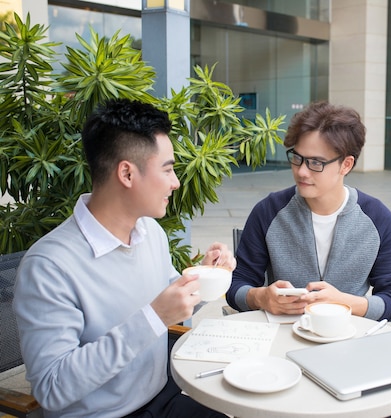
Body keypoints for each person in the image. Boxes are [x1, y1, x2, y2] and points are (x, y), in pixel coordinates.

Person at [13, 99, 235, 418]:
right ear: (127, 173)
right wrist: (153, 318)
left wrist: (207, 277)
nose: (176, 183)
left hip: (162, 397)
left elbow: (173, 305)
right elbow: (51, 388)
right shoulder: (48, 267)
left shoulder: (150, 232)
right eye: (168, 169)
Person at [225, 101, 391, 322]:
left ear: (346, 165)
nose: (301, 171)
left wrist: (344, 302)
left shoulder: (378, 219)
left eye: (316, 163)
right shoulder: (269, 211)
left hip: (348, 337)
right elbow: (236, 287)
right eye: (297, 158)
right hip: (281, 338)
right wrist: (260, 297)